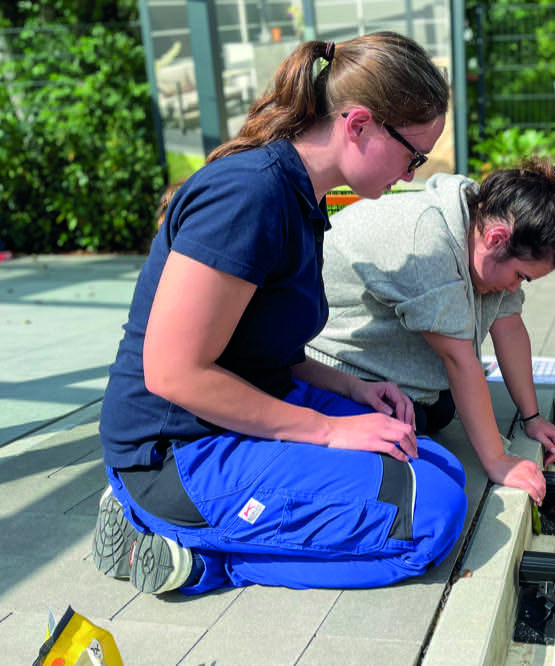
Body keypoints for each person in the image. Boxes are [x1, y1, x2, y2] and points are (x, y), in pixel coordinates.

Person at [92, 32, 467, 596]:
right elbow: (172, 374)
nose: (413, 173)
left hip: (237, 412)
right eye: (413, 154)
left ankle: (197, 535)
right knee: (428, 515)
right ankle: (191, 552)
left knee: (437, 464)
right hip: (178, 452)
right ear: (359, 124)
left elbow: (267, 350)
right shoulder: (248, 196)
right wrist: (330, 432)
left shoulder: (302, 195)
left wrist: (354, 388)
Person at [310, 159, 555, 506]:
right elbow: (459, 360)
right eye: (521, 276)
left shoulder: (484, 222)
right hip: (332, 371)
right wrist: (498, 462)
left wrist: (532, 416)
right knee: (432, 476)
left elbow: (509, 328)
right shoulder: (428, 243)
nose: (514, 289)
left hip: (395, 375)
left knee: (442, 410)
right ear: (497, 239)